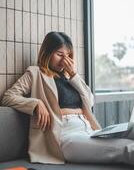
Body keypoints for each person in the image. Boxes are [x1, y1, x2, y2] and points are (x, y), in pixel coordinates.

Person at [1, 31, 134, 165]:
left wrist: (74, 75)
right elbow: (8, 97)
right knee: (127, 148)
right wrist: (36, 103)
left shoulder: (69, 77)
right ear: (47, 53)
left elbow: (90, 100)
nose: (65, 60)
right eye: (60, 54)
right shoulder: (35, 73)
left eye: (68, 55)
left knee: (132, 129)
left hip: (89, 129)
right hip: (66, 135)